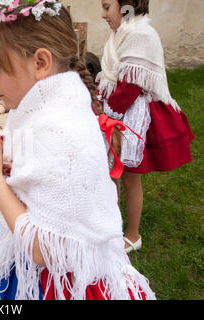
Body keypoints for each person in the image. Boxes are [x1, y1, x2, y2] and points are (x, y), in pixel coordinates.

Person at [0, 0, 155, 300]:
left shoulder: (61, 132)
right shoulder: (37, 111)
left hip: (59, 284)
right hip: (29, 268)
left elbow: (47, 250)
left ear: (40, 63)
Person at [98, 0, 194, 252]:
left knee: (130, 177)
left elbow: (132, 83)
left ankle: (132, 234)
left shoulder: (141, 34)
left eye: (107, 7)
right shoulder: (123, 33)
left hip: (131, 115)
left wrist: (108, 112)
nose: (103, 14)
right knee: (112, 172)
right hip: (116, 109)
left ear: (126, 5)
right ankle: (110, 224)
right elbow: (115, 75)